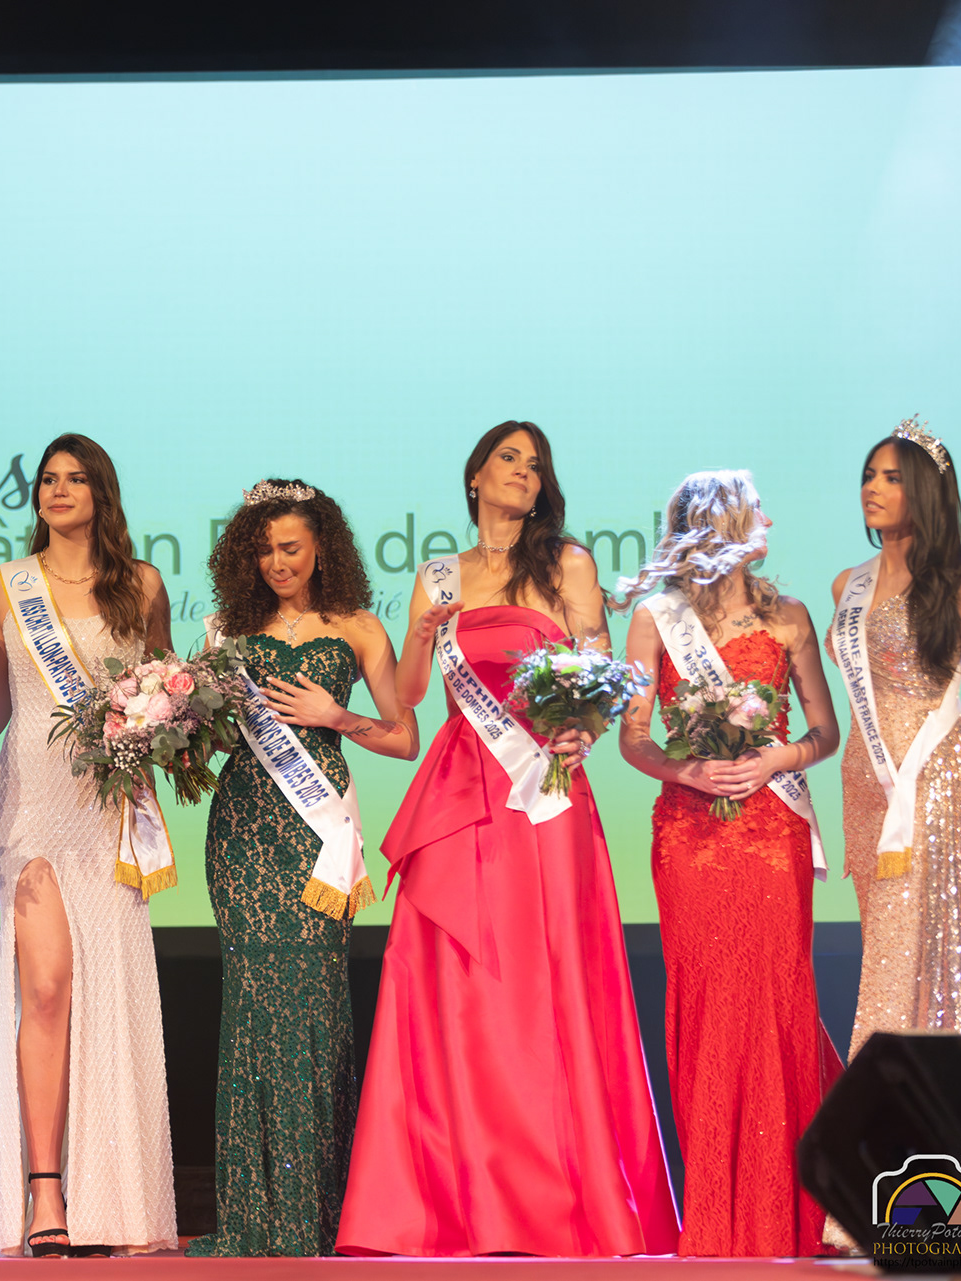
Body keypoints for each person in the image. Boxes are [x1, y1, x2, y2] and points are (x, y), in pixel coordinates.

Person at [337, 420, 680, 1258]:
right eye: (509, 459)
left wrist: (582, 732)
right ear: (476, 476)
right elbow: (410, 698)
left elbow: (604, 673)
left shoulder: (567, 564)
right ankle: (461, 1199)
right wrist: (423, 635)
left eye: (535, 464)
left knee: (547, 979)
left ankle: (563, 1197)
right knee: (459, 986)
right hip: (461, 791)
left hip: (546, 789)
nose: (524, 472)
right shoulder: (438, 575)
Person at [612, 470, 844, 1256]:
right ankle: (717, 1209)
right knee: (709, 1006)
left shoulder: (790, 616)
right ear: (722, 524)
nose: (769, 517)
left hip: (773, 833)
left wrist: (775, 755)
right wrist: (688, 769)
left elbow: (824, 731)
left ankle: (786, 1208)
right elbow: (634, 739)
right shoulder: (656, 619)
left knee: (775, 999)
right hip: (691, 835)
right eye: (756, 508)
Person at [186, 479, 416, 1259]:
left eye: (291, 547)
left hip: (319, 836)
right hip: (243, 830)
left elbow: (404, 737)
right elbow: (209, 737)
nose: (277, 562)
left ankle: (317, 1210)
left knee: (314, 1006)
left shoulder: (358, 627)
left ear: (323, 547)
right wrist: (183, 724)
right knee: (252, 1006)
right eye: (264, 549)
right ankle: (253, 1215)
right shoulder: (227, 631)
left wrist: (336, 716)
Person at [0, 434, 177, 1259]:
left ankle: (111, 1196)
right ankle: (45, 1191)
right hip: (33, 809)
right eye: (48, 480)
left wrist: (162, 733)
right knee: (46, 985)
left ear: (101, 493)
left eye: (76, 478)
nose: (58, 490)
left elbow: (169, 697)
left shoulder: (142, 586)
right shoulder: (6, 586)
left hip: (108, 811)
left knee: (109, 989)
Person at [827, 421, 961, 1051]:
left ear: (925, 492)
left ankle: (886, 1087)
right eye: (868, 476)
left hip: (933, 779)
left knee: (912, 946)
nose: (872, 489)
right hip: (864, 783)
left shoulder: (958, 577)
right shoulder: (846, 585)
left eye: (891, 478)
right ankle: (912, 1087)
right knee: (888, 946)